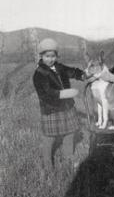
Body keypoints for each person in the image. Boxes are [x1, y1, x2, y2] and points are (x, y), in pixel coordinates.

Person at [33, 38, 85, 172]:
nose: (50, 59)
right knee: (49, 139)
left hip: (67, 108)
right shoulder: (39, 73)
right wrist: (65, 93)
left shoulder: (59, 67)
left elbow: (72, 71)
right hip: (51, 110)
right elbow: (46, 93)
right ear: (41, 56)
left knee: (69, 134)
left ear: (56, 56)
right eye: (47, 56)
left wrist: (83, 75)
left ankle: (69, 159)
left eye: (53, 56)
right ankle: (48, 166)